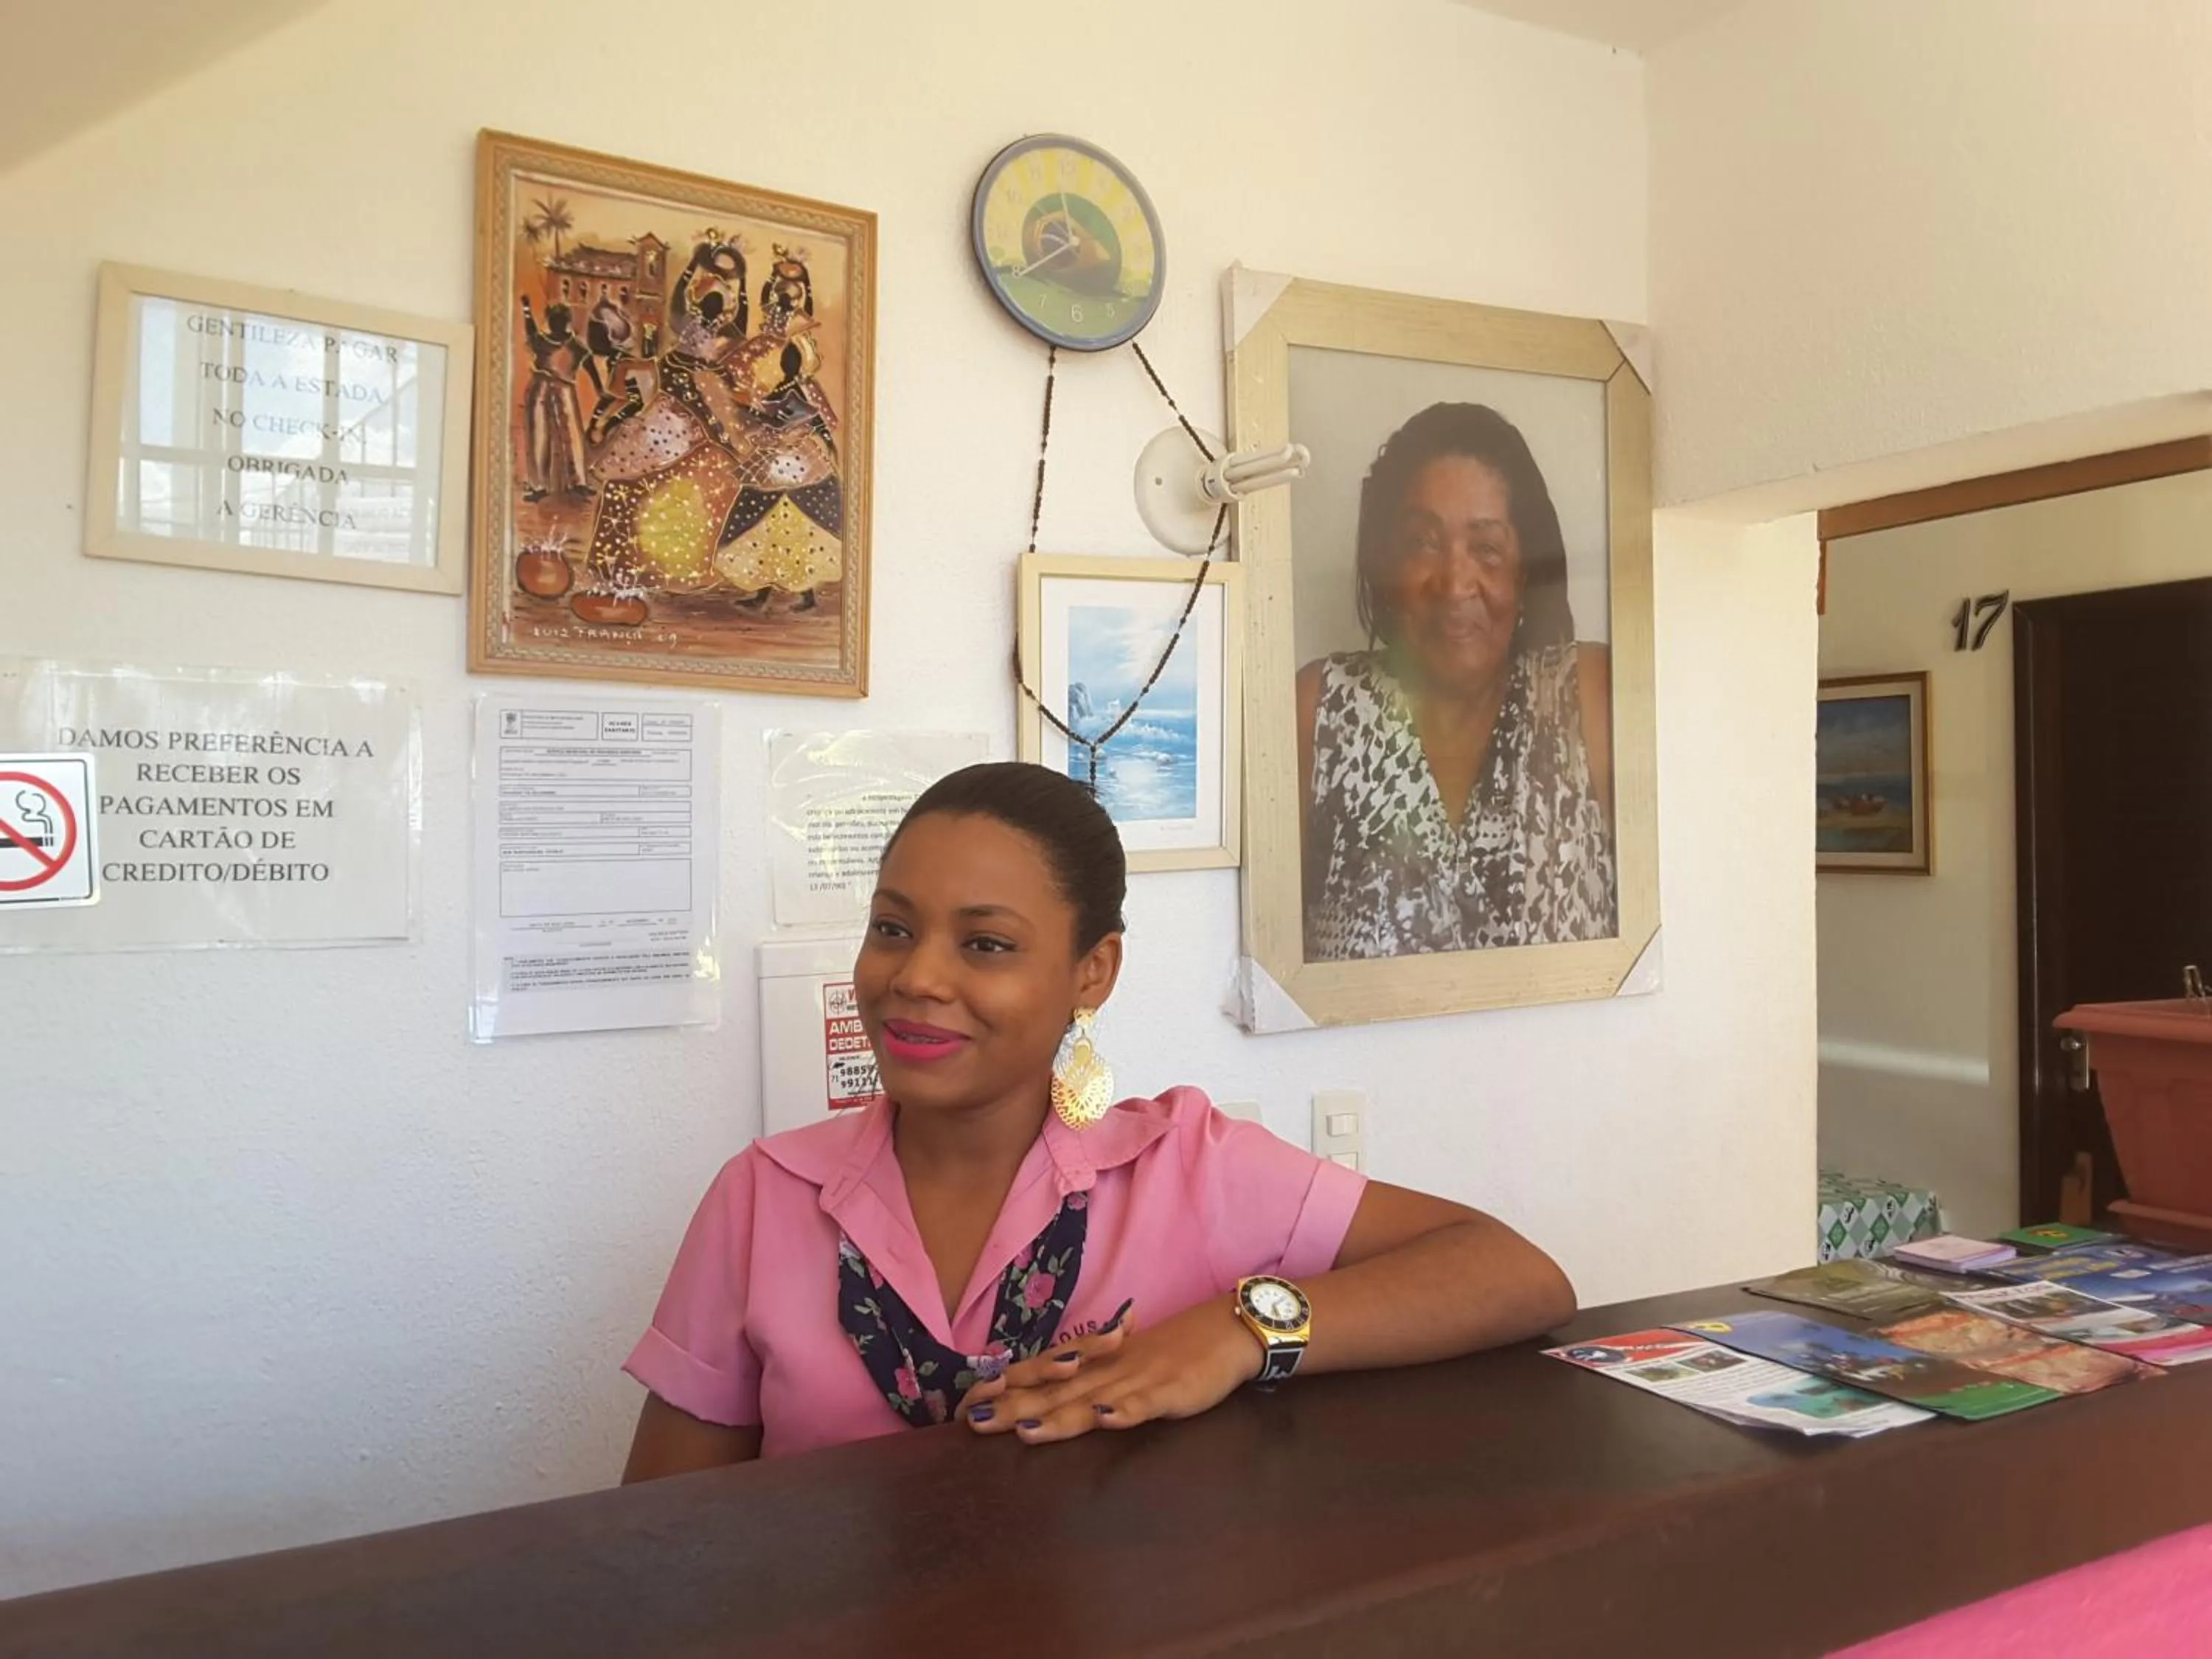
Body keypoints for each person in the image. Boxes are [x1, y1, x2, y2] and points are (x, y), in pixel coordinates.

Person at [621, 762, 1574, 1474]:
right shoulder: (764, 1197)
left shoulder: (1189, 1168)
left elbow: (1514, 1273)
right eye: (893, 927)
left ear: (1093, 972)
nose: (916, 976)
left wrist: (1233, 1335)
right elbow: (665, 1534)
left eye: (985, 942)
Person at [1298, 402, 1616, 960]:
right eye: (1423, 543)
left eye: (1487, 549)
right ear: (1388, 567)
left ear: (1523, 574)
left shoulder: (1587, 698)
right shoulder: (1321, 709)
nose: (1454, 583)